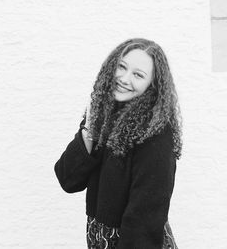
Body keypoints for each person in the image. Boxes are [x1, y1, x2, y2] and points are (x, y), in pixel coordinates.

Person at [54, 38, 182, 248]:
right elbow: (68, 179)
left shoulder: (156, 133)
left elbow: (144, 221)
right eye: (122, 67)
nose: (124, 78)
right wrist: (90, 129)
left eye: (138, 75)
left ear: (153, 84)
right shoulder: (104, 115)